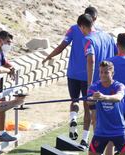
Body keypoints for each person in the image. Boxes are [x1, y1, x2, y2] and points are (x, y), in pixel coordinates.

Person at [42, 6, 99, 146]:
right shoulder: (97, 33)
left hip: (72, 73)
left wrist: (49, 56)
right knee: (87, 107)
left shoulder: (73, 29)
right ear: (95, 19)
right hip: (88, 76)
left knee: (74, 101)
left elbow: (62, 46)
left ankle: (73, 117)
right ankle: (85, 139)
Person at [79, 13, 117, 144]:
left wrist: (89, 85)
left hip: (97, 85)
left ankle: (99, 148)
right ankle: (114, 145)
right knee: (110, 115)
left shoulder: (88, 39)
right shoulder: (107, 36)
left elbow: (91, 60)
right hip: (110, 83)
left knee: (95, 118)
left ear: (83, 27)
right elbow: (116, 53)